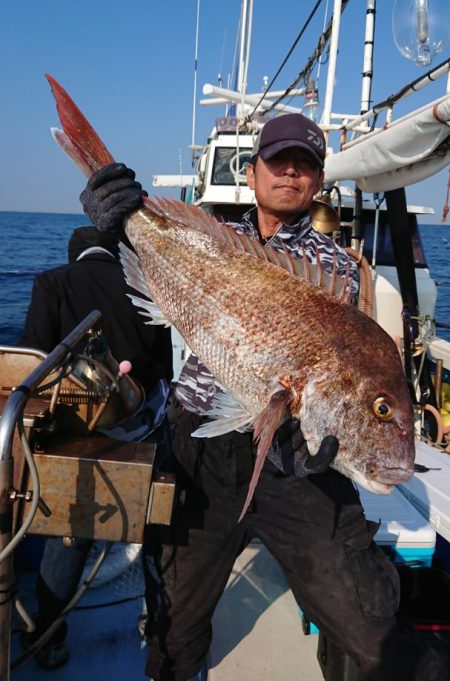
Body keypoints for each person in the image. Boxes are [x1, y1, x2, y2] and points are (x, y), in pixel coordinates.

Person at [79, 114, 450, 681]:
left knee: (367, 619)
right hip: (200, 449)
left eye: (305, 165)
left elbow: (320, 382)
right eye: (278, 161)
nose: (291, 172)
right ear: (251, 174)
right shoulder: (208, 234)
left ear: (318, 182)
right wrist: (117, 223)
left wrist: (317, 442)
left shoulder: (333, 269)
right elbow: (139, 280)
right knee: (175, 620)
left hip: (294, 464)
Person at [18, 226, 173, 670]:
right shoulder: (145, 290)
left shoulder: (53, 282)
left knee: (68, 536)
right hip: (143, 425)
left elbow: (32, 361)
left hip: (78, 432)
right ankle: (158, 626)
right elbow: (163, 367)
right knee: (157, 529)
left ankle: (48, 637)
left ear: (76, 254)